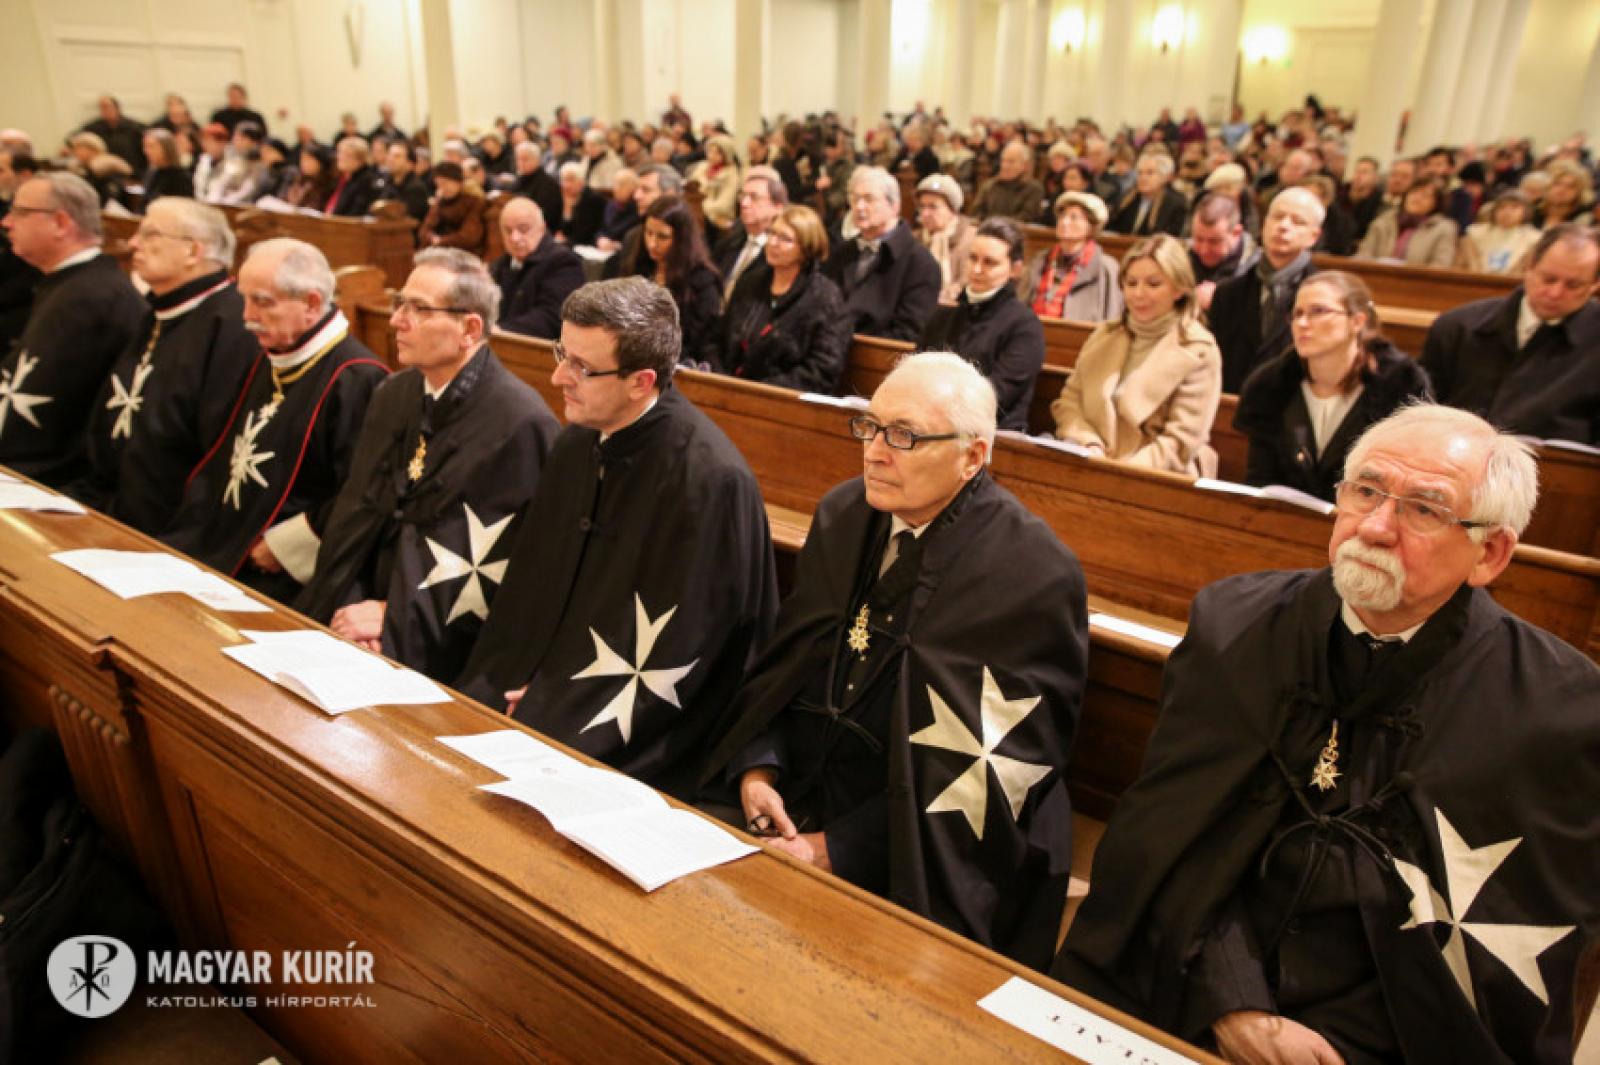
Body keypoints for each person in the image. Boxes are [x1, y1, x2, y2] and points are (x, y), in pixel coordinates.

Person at [1054, 404, 1599, 1065]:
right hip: (1183, 976)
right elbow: (1166, 841)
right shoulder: (1235, 626)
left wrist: (1339, 1044)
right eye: (1365, 490)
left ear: (1489, 553)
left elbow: (1503, 955)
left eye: (1424, 509)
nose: (1375, 526)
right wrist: (1231, 1001)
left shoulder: (1558, 711)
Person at [702, 352, 1088, 969]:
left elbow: (990, 778)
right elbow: (786, 666)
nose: (875, 452)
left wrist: (838, 849)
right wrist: (759, 767)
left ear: (972, 457)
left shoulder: (1031, 575)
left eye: (904, 436)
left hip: (908, 851)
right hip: (787, 800)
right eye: (870, 426)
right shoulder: (843, 514)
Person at [457, 278, 778, 800]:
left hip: (631, 728)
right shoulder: (576, 443)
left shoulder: (709, 483)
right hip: (538, 687)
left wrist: (552, 702)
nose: (558, 376)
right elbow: (536, 590)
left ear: (641, 382)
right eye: (562, 353)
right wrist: (516, 681)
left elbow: (684, 645)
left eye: (581, 367)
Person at [299, 251, 558, 681]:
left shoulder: (520, 425)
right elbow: (356, 518)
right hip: (355, 617)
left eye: (418, 309)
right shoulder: (394, 393)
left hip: (439, 639)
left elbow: (504, 568)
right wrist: (351, 608)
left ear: (469, 328)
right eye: (399, 303)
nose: (396, 320)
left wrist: (391, 618)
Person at [160, 239, 388, 603]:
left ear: (311, 303)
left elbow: (363, 492)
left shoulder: (357, 378)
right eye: (245, 299)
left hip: (280, 570)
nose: (247, 316)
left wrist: (284, 547)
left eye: (263, 302)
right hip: (225, 541)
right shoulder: (272, 355)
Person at [70, 199, 257, 534]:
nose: (133, 243)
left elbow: (216, 453)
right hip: (108, 507)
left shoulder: (232, 326)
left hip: (170, 530)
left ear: (193, 251)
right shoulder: (160, 312)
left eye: (150, 234)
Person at [1235, 270, 1432, 501]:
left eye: (1318, 311)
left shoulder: (1401, 386)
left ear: (1357, 321)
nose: (1302, 323)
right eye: (1297, 314)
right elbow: (1260, 479)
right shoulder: (1271, 386)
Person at [0, 173, 144, 488]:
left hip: (53, 480)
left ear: (61, 223)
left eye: (20, 212)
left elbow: (49, 416)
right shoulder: (71, 284)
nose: (6, 222)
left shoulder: (92, 298)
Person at [1051, 234, 1222, 474]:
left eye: (1153, 284)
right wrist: (1088, 442)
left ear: (1178, 289)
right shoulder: (1106, 334)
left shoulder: (1198, 348)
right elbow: (1070, 401)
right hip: (1092, 460)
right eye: (1131, 283)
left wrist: (1121, 474)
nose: (1139, 294)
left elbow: (1181, 440)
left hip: (1156, 475)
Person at [1419, 223, 1600, 444]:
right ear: (1529, 266)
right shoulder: (1458, 326)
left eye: (1573, 285)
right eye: (1548, 279)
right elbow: (1420, 410)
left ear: (1594, 285)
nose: (1555, 293)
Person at [919, 218, 1045, 433]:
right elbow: (916, 373)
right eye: (973, 258)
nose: (977, 269)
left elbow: (995, 396)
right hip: (932, 425)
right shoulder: (943, 316)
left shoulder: (1025, 327)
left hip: (993, 436)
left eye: (989, 262)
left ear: (1015, 269)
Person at [719, 204, 848, 391]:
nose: (773, 243)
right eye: (772, 233)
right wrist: (719, 375)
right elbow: (719, 336)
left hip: (781, 396)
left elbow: (822, 369)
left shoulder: (824, 297)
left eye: (785, 239)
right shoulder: (751, 281)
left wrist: (761, 390)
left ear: (806, 248)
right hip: (730, 386)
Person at [1209, 186, 1324, 393]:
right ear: (1264, 223)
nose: (1284, 226)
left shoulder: (1325, 299)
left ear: (1313, 236)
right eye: (1277, 217)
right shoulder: (1227, 293)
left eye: (1298, 221)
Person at [822, 166, 940, 342]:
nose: (859, 207)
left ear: (894, 206)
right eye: (855, 199)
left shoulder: (920, 263)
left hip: (874, 355)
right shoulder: (843, 252)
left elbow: (907, 334)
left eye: (869, 199)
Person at [635, 195, 722, 366]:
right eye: (649, 233)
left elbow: (698, 342)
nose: (652, 243)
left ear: (682, 239)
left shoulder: (702, 281)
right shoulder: (640, 265)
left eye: (662, 237)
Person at [489, 198, 586, 340]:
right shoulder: (501, 264)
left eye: (523, 229)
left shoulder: (564, 262)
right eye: (508, 231)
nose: (514, 237)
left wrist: (502, 330)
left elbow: (552, 317)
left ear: (542, 228)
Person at [1018, 191, 1122, 322]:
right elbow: (1021, 302)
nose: (1064, 222)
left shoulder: (1105, 267)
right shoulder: (1041, 260)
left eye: (1074, 218)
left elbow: (1112, 315)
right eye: (1062, 216)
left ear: (1091, 227)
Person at [713, 167, 786, 304]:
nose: (744, 203)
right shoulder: (731, 240)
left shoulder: (780, 252)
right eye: (743, 196)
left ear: (777, 206)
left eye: (754, 197)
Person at [1357, 178, 1458, 267]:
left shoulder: (1443, 229)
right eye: (1414, 192)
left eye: (1425, 195)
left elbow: (1440, 265)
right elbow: (1364, 256)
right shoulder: (1384, 221)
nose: (1417, 198)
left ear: (1436, 204)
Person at [1187, 193, 1259, 311]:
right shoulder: (1180, 256)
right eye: (1198, 239)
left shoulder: (1256, 269)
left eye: (1214, 241)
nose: (1204, 250)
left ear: (1236, 233)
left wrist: (1221, 299)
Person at [911, 174, 975, 307]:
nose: (925, 214)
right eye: (922, 206)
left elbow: (970, 278)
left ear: (952, 210)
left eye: (933, 207)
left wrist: (955, 289)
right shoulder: (914, 239)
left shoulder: (971, 238)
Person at [1458, 190, 1541, 275]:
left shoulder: (1534, 238)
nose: (1507, 212)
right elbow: (1470, 262)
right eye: (1502, 207)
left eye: (1514, 207)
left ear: (1526, 211)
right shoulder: (1476, 233)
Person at [1108, 151, 1187, 237]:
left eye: (1150, 173)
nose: (1143, 178)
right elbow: (1111, 228)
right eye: (1140, 173)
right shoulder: (1127, 198)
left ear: (1164, 177)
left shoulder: (1176, 204)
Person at [418, 162, 486, 256]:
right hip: (440, 249)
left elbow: (469, 236)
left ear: (458, 182)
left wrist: (440, 241)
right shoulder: (440, 201)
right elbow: (424, 230)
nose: (442, 189)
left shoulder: (474, 202)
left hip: (464, 253)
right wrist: (432, 239)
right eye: (438, 185)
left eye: (445, 183)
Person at [971, 141, 1045, 222]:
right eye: (1003, 161)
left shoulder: (1034, 189)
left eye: (1011, 162)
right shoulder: (990, 185)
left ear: (1025, 165)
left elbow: (1025, 218)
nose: (1004, 166)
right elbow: (976, 213)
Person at [689, 133, 742, 239]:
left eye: (717, 152)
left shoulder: (732, 175)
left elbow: (724, 205)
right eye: (710, 151)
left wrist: (699, 207)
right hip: (697, 215)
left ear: (726, 154)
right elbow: (690, 190)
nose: (711, 155)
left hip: (717, 220)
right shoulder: (701, 167)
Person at [324, 137, 390, 217]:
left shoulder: (366, 181)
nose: (339, 157)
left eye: (345, 154)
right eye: (339, 152)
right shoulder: (345, 177)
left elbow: (355, 215)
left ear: (359, 158)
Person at [82, 95, 146, 174]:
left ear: (117, 107)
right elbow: (76, 138)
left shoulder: (134, 126)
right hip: (105, 171)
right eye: (102, 108)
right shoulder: (94, 127)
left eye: (108, 107)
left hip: (133, 170)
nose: (106, 110)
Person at [508, 141, 561, 229]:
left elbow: (545, 216)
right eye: (518, 159)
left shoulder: (549, 185)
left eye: (525, 159)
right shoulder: (519, 181)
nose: (520, 163)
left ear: (537, 160)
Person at [552, 160, 605, 247]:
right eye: (564, 180)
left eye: (571, 180)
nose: (566, 185)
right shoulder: (558, 196)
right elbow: (554, 226)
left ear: (581, 182)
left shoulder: (593, 200)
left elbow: (585, 234)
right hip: (563, 244)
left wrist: (565, 241)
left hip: (585, 246)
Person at [1533, 159, 1595, 229]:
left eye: (1571, 186)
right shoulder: (1533, 210)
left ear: (1580, 193)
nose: (1562, 189)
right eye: (1557, 183)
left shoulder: (1584, 218)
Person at [384, 141, 430, 223]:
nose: (390, 159)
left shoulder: (416, 188)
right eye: (389, 155)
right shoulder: (388, 183)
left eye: (397, 156)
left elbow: (410, 221)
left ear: (410, 164)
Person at [284, 145, 338, 211]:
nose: (304, 163)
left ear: (320, 162)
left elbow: (314, 208)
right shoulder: (299, 178)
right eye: (302, 159)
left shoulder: (327, 184)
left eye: (309, 159)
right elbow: (287, 200)